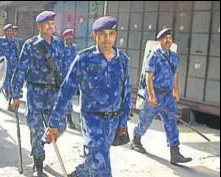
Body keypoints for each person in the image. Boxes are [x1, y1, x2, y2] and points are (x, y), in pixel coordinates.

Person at [46, 16, 132, 177]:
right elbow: (66, 91)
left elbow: (126, 93)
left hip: (113, 122)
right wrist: (54, 123)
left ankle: (80, 173)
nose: (107, 38)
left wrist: (123, 121)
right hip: (92, 121)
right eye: (102, 34)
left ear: (116, 35)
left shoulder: (123, 60)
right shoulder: (84, 59)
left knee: (95, 159)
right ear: (94, 36)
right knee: (102, 166)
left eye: (111, 33)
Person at [10, 11, 67, 176]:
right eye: (47, 23)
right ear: (39, 26)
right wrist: (15, 95)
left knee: (59, 126)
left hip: (54, 93)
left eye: (52, 23)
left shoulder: (59, 44)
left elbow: (64, 69)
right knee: (35, 128)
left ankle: (42, 142)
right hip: (35, 92)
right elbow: (21, 70)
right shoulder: (30, 44)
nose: (50, 26)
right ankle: (38, 164)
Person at [130, 28, 192, 164]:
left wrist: (176, 91)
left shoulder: (174, 56)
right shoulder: (154, 55)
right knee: (146, 120)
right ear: (160, 40)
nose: (168, 40)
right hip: (155, 95)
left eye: (170, 38)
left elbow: (175, 74)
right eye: (165, 38)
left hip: (168, 96)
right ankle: (136, 139)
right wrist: (152, 96)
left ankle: (175, 152)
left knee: (171, 123)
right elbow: (149, 77)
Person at [0, 24, 18, 108]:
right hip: (3, 66)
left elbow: (17, 54)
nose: (10, 32)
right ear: (5, 32)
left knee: (12, 86)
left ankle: (10, 105)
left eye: (11, 30)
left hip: (12, 67)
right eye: (8, 31)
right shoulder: (0, 41)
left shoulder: (15, 41)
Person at [62, 28, 79, 129]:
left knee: (69, 98)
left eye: (71, 36)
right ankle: (68, 119)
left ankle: (67, 118)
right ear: (64, 37)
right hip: (62, 77)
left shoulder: (75, 48)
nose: (69, 38)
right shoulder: (61, 48)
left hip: (72, 78)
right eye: (67, 36)